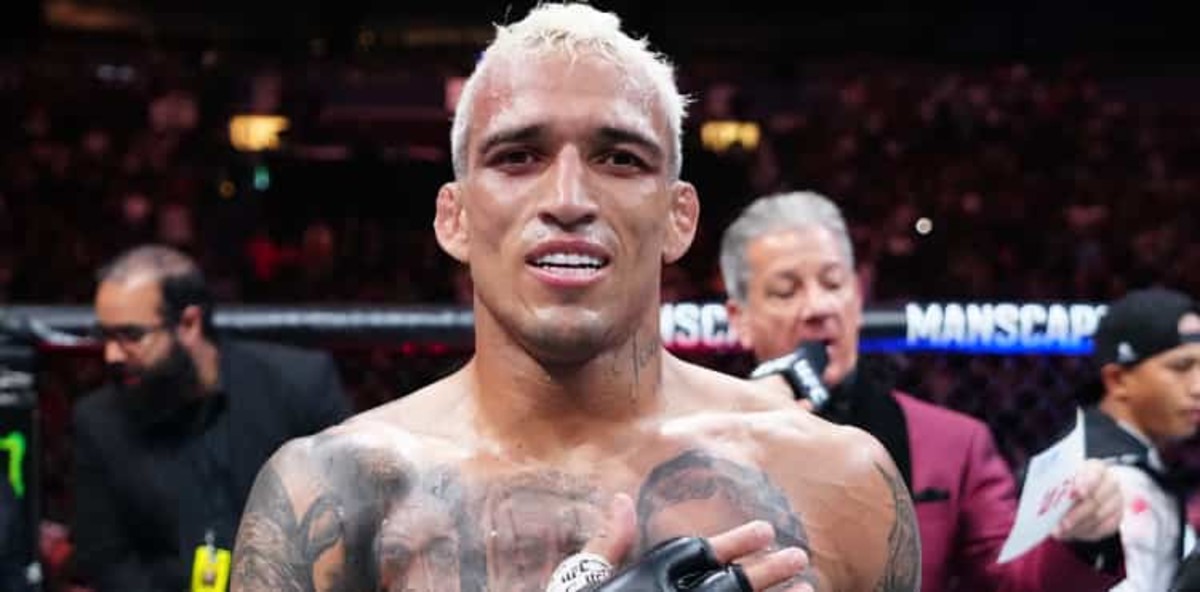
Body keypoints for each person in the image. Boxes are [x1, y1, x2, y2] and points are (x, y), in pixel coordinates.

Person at [230, 4, 920, 592]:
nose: (568, 199)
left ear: (679, 217)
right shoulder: (332, 494)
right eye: (517, 157)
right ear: (454, 217)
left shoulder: (836, 481)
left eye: (620, 158)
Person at [718, 190, 1127, 592]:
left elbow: (1013, 580)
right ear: (740, 318)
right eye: (786, 291)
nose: (818, 307)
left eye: (832, 283)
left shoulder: (953, 444)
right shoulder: (705, 443)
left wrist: (1083, 537)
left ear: (857, 295)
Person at [70, 244, 352, 592]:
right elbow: (107, 561)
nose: (111, 354)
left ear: (189, 323)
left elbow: (348, 518)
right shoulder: (99, 421)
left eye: (131, 336)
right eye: (105, 336)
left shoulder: (297, 384)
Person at [1081, 287, 1200, 591]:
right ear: (1118, 379)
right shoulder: (1111, 478)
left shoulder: (1111, 452)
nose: (1198, 387)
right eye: (1181, 367)